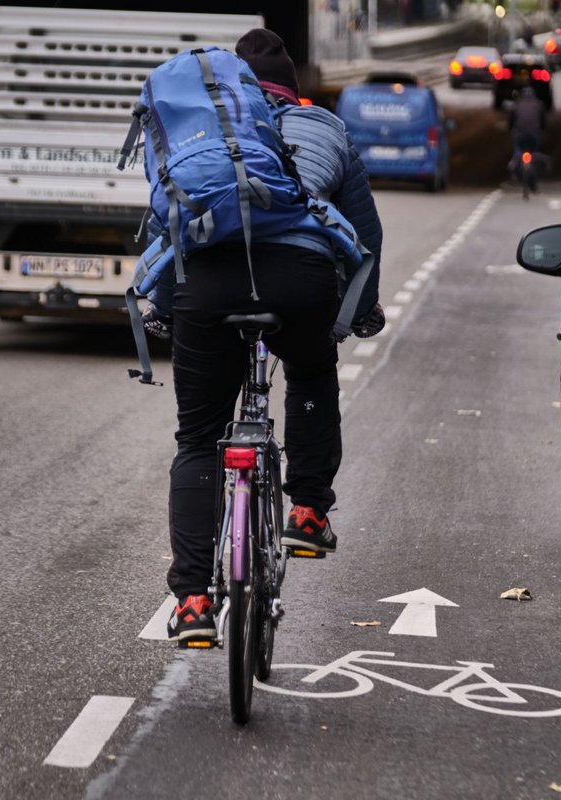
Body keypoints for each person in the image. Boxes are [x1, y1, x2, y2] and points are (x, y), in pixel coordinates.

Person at [146, 28, 385, 642]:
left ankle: (195, 601)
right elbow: (366, 232)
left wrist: (164, 305)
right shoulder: (324, 126)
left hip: (209, 287)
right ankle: (306, 511)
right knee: (310, 368)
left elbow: (163, 223)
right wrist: (363, 309)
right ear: (292, 85)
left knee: (198, 438)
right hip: (300, 281)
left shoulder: (209, 134)